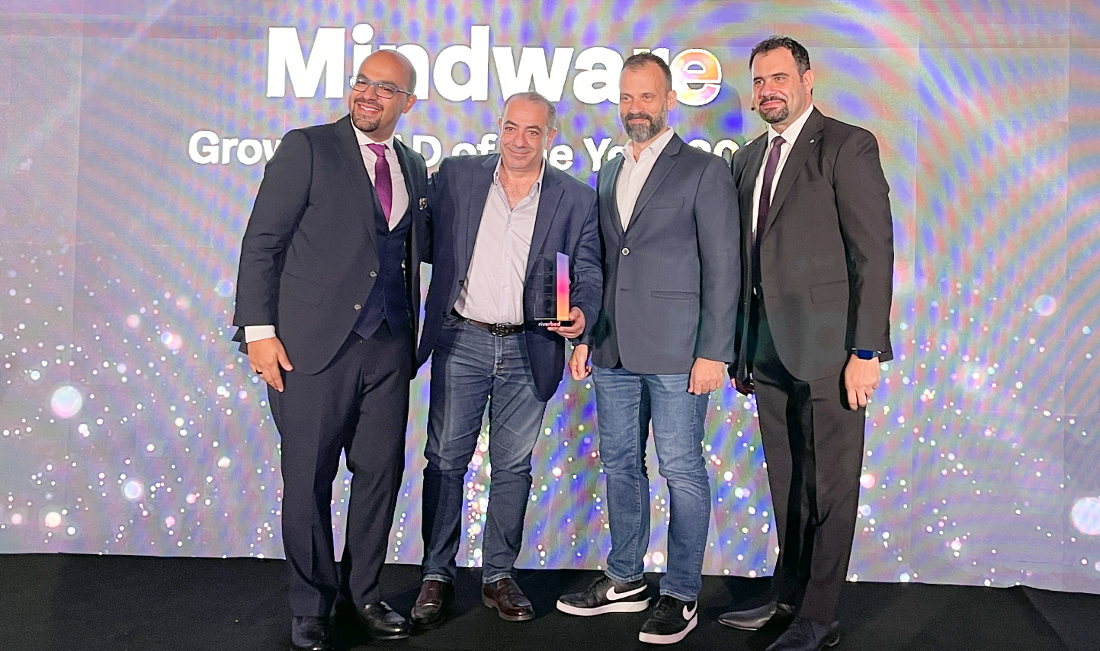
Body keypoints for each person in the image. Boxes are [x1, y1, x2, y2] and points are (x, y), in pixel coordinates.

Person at [232, 50, 427, 651]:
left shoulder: (414, 166)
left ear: (407, 102)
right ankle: (311, 603)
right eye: (362, 82)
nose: (368, 94)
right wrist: (258, 333)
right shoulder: (308, 147)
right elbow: (262, 242)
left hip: (388, 350)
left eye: (385, 87)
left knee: (380, 477)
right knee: (308, 479)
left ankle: (363, 593)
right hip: (310, 351)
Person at [555, 53, 740, 645]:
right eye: (627, 98)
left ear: (669, 101)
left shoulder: (704, 171)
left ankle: (682, 592)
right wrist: (585, 336)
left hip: (681, 353)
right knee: (619, 466)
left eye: (647, 98)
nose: (637, 109)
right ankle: (626, 577)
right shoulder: (609, 170)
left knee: (681, 470)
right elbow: (605, 263)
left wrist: (715, 351)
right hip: (612, 348)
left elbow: (724, 267)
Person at [718, 36, 894, 651]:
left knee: (831, 488)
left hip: (833, 355)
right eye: (759, 80)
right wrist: (740, 349)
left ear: (807, 80)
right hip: (766, 354)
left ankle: (819, 616)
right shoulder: (747, 160)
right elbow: (746, 262)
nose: (768, 90)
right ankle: (787, 597)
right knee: (787, 481)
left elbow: (874, 253)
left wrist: (866, 351)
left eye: (779, 78)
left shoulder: (848, 145)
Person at [412, 91, 602, 628]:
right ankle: (437, 575)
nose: (520, 140)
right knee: (446, 460)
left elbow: (587, 271)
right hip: (462, 338)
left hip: (531, 347)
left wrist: (583, 316)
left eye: (533, 131)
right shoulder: (456, 176)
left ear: (551, 137)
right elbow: (418, 241)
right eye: (512, 128)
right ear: (499, 126)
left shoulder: (575, 198)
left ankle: (498, 574)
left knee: (513, 467)